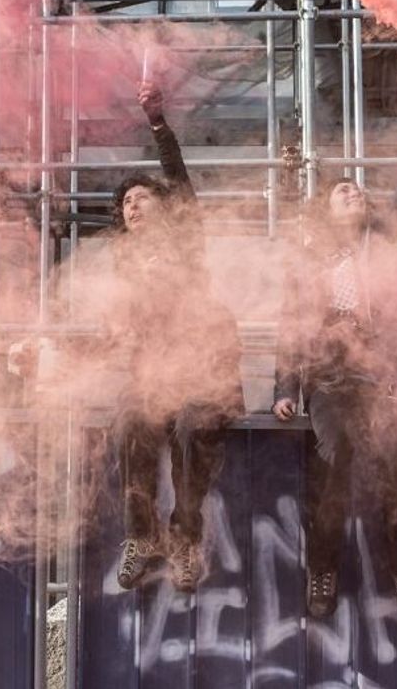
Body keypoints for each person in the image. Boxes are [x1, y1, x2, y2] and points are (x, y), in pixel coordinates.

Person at [271, 74, 397, 620]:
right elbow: (292, 328)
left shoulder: (383, 237)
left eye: (357, 189)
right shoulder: (308, 262)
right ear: (326, 211)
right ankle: (322, 572)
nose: (353, 191)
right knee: (332, 461)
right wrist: (285, 388)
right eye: (341, 190)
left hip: (385, 373)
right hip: (333, 379)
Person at [108, 82, 245, 593]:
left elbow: (180, 183)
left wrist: (158, 124)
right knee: (128, 423)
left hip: (203, 371)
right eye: (126, 203)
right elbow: (111, 333)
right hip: (153, 375)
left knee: (191, 426)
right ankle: (141, 537)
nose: (133, 206)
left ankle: (185, 537)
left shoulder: (186, 244)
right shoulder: (122, 269)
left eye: (142, 198)